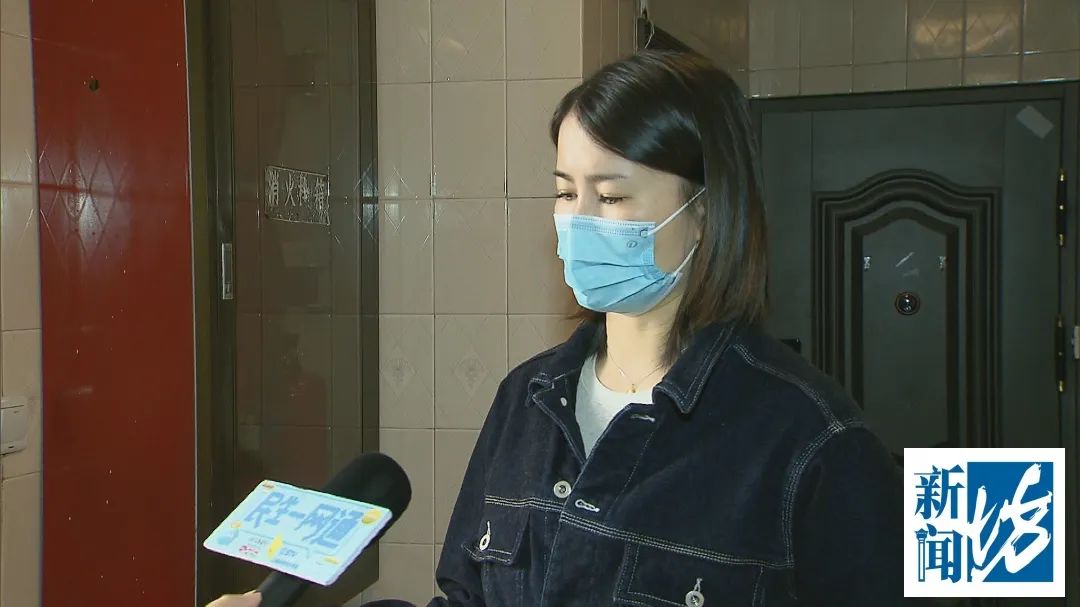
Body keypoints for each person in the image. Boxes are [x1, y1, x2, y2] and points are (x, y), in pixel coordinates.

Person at [211, 49, 908, 607]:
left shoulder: (812, 441)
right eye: (565, 191)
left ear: (704, 211)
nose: (577, 220)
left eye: (611, 195)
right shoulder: (528, 399)